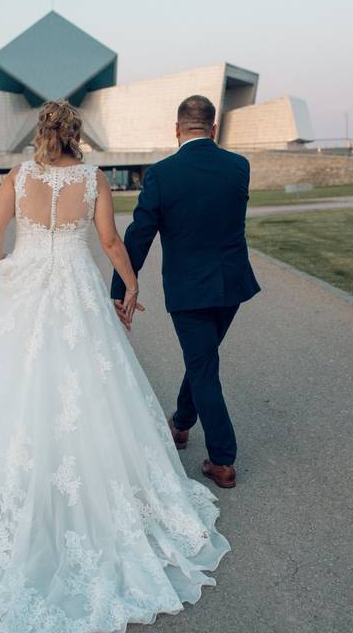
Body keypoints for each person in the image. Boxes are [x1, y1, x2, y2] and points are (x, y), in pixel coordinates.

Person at [0, 99, 231, 632]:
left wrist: (3, 270)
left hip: (24, 282)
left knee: (6, 383)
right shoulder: (93, 178)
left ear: (40, 133)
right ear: (76, 134)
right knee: (87, 383)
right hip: (75, 286)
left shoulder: (17, 175)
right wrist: (132, 282)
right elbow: (108, 241)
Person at [110, 95, 261, 489]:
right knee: (202, 360)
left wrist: (123, 284)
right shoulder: (239, 167)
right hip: (231, 285)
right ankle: (180, 424)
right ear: (213, 129)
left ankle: (223, 460)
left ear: (177, 129)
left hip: (189, 288)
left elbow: (139, 234)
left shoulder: (161, 174)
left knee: (203, 367)